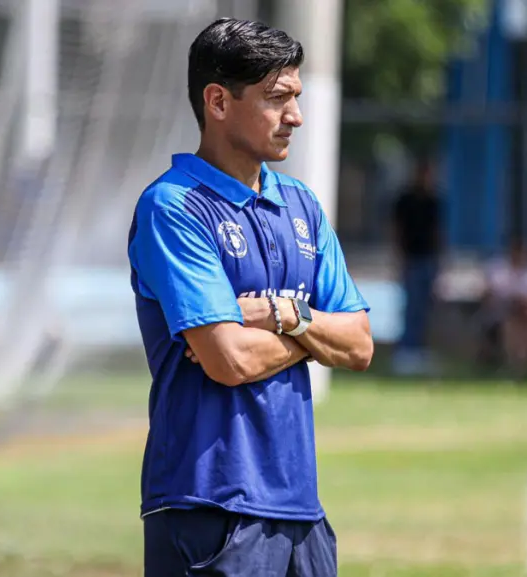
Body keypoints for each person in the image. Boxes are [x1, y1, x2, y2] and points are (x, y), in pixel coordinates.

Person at [126, 18, 374, 577]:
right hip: (208, 508)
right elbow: (228, 359)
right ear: (217, 101)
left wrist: (281, 314)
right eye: (276, 98)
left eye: (297, 97)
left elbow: (358, 343)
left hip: (301, 512)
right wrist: (314, 335)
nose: (296, 116)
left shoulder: (302, 205)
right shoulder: (174, 208)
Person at [390, 159, 445, 376]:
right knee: (411, 306)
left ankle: (419, 349)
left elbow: (438, 232)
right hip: (412, 258)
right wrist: (399, 257)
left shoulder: (434, 200)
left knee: (424, 308)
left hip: (428, 258)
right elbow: (396, 229)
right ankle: (406, 351)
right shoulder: (405, 199)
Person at [477, 238, 527, 373]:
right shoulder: (498, 270)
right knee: (510, 322)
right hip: (503, 313)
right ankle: (513, 365)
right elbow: (486, 296)